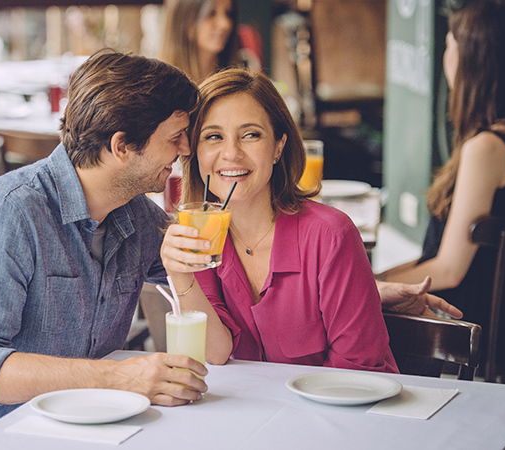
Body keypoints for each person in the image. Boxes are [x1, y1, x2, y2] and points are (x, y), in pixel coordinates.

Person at [0, 50, 208, 450]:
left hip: (72, 434)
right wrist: (120, 377)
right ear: (122, 146)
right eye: (174, 137)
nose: (185, 150)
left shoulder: (132, 214)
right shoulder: (8, 213)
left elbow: (204, 274)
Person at [160, 67, 398, 371]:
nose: (231, 153)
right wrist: (180, 275)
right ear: (195, 152)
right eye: (213, 136)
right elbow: (217, 352)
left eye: (250, 135)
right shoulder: (200, 234)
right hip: (260, 414)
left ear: (278, 147)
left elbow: (357, 367)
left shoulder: (331, 236)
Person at [377, 1, 505, 382]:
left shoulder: (487, 149)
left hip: (457, 335)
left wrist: (371, 282)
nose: (446, 57)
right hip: (498, 333)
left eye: (449, 45)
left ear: (471, 59)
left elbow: (449, 269)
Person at [160, 0, 241, 82]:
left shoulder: (246, 73)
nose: (225, 24)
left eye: (229, 14)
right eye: (211, 13)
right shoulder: (161, 82)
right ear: (185, 22)